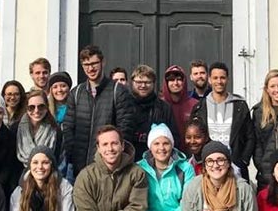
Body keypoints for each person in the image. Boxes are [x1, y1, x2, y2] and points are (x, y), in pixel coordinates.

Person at [63, 45, 134, 177]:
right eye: (86, 65)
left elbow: (124, 128)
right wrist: (73, 155)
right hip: (80, 166)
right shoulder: (76, 93)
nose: (90, 68)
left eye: (94, 63)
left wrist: (113, 157)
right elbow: (68, 128)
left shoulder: (118, 91)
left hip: (108, 165)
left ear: (103, 62)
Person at [190, 62, 254, 181]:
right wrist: (200, 158)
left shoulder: (240, 106)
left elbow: (250, 136)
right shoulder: (199, 108)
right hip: (209, 166)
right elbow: (193, 137)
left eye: (222, 78)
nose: (219, 81)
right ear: (209, 80)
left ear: (227, 79)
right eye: (215, 78)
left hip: (235, 167)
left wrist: (243, 161)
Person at [129, 64, 179, 160]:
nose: (143, 85)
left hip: (156, 161)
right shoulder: (124, 106)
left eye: (147, 82)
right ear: (132, 82)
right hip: (130, 158)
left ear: (153, 83)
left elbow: (173, 137)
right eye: (139, 82)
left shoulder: (164, 108)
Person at [13, 90, 62, 167]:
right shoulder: (15, 129)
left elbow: (56, 159)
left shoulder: (55, 130)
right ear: (26, 108)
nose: (36, 111)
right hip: (19, 175)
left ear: (47, 107)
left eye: (41, 106)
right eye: (31, 107)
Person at [160, 65, 198, 140]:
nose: (176, 83)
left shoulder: (195, 104)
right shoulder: (159, 105)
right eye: (171, 80)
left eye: (179, 79)